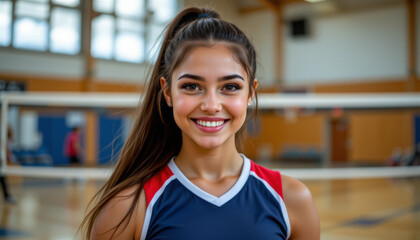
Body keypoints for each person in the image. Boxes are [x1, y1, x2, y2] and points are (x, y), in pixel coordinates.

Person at [80, 7, 320, 240]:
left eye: (230, 87)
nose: (211, 105)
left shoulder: (291, 200)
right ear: (167, 92)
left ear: (250, 94)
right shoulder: (127, 209)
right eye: (192, 86)